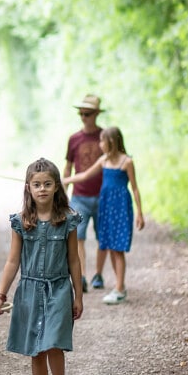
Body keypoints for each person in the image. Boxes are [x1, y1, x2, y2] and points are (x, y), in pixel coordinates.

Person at [0, 158, 84, 375]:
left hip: (58, 289)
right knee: (36, 351)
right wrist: (0, 295)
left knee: (54, 343)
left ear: (56, 186)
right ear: (28, 188)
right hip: (30, 291)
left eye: (47, 184)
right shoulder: (21, 222)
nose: (42, 189)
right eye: (37, 184)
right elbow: (12, 261)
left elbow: (74, 260)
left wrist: (78, 295)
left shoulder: (67, 219)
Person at [64, 126, 144, 305]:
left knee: (118, 248)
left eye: (102, 141)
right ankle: (119, 286)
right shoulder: (104, 161)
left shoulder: (127, 162)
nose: (99, 144)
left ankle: (120, 289)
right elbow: (84, 175)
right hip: (106, 208)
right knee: (110, 246)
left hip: (121, 208)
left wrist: (140, 212)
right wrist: (65, 180)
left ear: (111, 142)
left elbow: (135, 188)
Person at [63, 94, 108, 292]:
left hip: (102, 195)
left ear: (96, 114)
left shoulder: (106, 137)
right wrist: (62, 193)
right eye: (81, 113)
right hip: (79, 195)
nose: (83, 117)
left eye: (87, 113)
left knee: (102, 236)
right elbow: (68, 167)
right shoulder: (74, 139)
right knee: (77, 236)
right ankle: (80, 276)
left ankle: (98, 274)